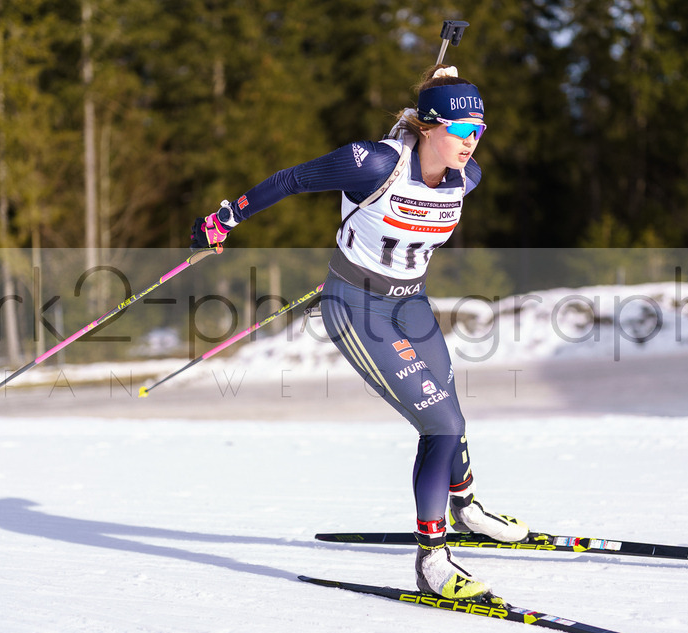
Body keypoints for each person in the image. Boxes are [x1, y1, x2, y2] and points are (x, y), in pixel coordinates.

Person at [190, 65, 528, 600]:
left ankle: (466, 507)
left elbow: (425, 168)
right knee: (440, 423)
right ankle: (432, 561)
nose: (473, 143)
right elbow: (292, 180)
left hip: (410, 303)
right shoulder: (371, 164)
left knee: (448, 404)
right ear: (431, 125)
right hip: (357, 307)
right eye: (464, 131)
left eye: (480, 131)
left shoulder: (469, 177)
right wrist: (225, 217)